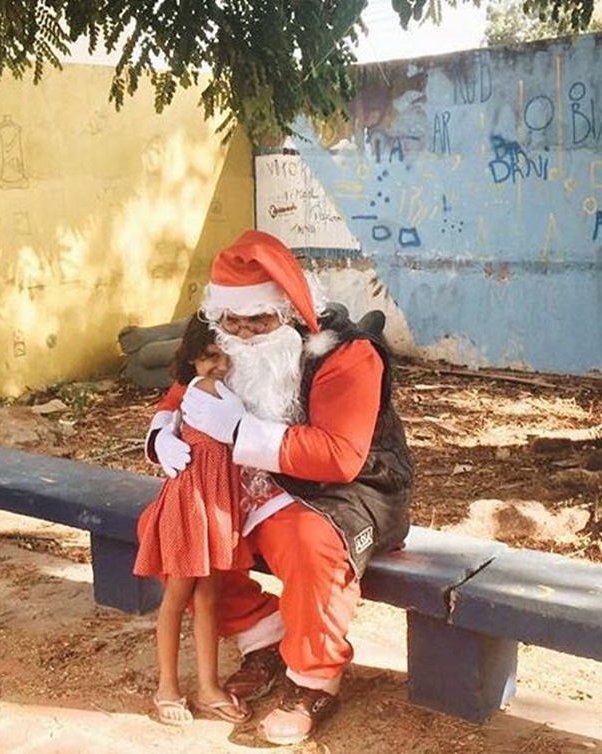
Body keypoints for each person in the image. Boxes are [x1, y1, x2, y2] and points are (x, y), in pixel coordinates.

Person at [146, 230, 414, 744]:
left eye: (259, 321)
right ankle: (261, 635)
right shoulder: (216, 337)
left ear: (288, 312)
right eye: (233, 322)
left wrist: (239, 432)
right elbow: (179, 392)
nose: (244, 334)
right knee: (173, 529)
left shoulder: (346, 354)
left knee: (310, 547)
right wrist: (160, 434)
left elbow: (339, 455)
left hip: (350, 488)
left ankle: (314, 680)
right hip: (250, 479)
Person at [134, 317, 254, 727]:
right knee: (178, 596)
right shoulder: (203, 390)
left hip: (215, 503)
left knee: (208, 597)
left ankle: (208, 687)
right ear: (192, 359)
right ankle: (167, 685)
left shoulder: (225, 388)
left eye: (225, 356)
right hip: (191, 504)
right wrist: (160, 436)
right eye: (208, 357)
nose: (219, 365)